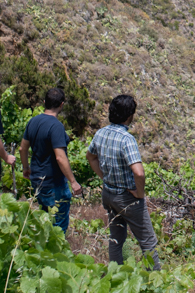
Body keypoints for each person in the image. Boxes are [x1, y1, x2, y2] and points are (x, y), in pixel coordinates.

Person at [86, 94, 160, 269]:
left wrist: (104, 177)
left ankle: (115, 276)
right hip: (127, 197)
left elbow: (90, 156)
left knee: (116, 238)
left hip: (108, 194)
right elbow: (139, 173)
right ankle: (156, 284)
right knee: (148, 241)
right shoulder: (127, 140)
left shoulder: (101, 133)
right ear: (130, 115)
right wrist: (139, 194)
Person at [19, 87, 84, 232]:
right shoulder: (56, 127)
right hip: (54, 182)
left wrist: (25, 168)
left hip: (37, 179)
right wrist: (73, 182)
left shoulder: (33, 121)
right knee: (58, 228)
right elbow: (60, 158)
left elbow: (22, 149)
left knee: (44, 223)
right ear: (62, 104)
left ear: (44, 102)